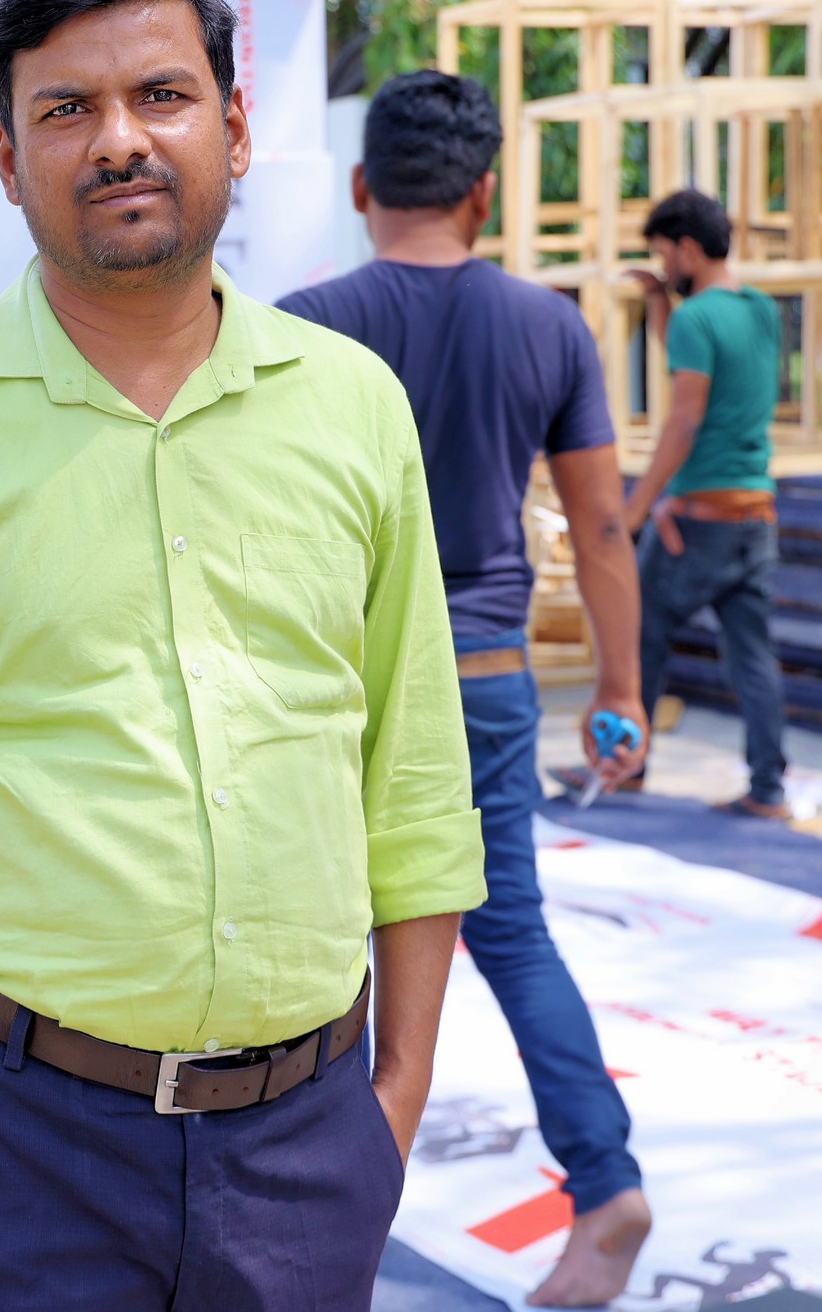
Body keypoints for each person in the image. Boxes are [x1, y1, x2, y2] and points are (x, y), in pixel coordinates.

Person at [0, 0, 487, 1312]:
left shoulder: (352, 410)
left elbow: (413, 785)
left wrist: (392, 1097)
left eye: (161, 95)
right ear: (5, 157)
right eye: (66, 110)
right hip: (15, 1152)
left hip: (308, 1145)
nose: (119, 141)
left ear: (234, 127)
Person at [280, 70, 653, 1307]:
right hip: (484, 672)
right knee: (512, 932)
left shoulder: (302, 329)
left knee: (317, 942)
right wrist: (618, 690)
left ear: (360, 186)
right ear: (484, 194)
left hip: (339, 683)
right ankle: (604, 1186)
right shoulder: (548, 326)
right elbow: (600, 529)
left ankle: (306, 1218)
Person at [620, 188, 788, 820]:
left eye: (664, 254)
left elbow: (685, 418)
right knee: (753, 658)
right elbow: (697, 362)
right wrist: (659, 302)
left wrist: (635, 509)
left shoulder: (696, 320)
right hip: (755, 515)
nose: (663, 267)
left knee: (638, 635)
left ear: (688, 248)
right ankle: (768, 790)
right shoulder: (759, 310)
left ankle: (625, 766)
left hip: (700, 522)